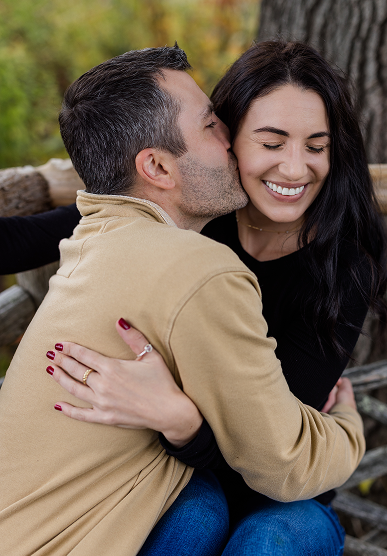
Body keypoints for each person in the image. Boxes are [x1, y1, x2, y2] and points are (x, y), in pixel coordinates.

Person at [0, 44, 366, 556]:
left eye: (316, 146)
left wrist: (179, 419)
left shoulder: (342, 262)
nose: (294, 167)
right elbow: (23, 239)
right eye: (216, 125)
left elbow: (275, 460)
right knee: (199, 508)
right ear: (233, 140)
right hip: (187, 475)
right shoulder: (172, 223)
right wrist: (350, 429)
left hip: (274, 492)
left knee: (272, 536)